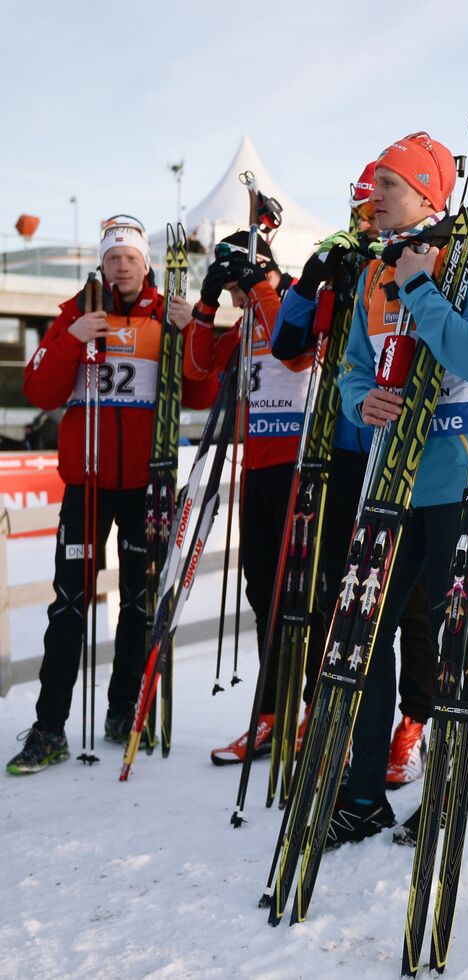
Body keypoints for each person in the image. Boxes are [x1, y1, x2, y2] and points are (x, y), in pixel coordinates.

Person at [327, 131, 468, 846]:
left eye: (391, 185)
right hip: (389, 475)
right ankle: (364, 793)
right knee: (360, 638)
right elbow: (350, 370)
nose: (377, 196)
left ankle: (448, 789)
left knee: (456, 645)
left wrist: (423, 288)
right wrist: (359, 402)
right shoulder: (374, 275)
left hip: (455, 475)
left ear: (428, 194)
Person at [8, 215, 217, 775]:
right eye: (112, 257)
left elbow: (202, 391)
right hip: (88, 484)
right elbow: (39, 389)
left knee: (138, 601)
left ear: (146, 264)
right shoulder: (77, 314)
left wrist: (191, 328)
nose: (121, 265)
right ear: (101, 264)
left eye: (130, 257)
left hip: (147, 482)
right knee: (69, 603)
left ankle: (123, 710)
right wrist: (70, 337)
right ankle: (50, 725)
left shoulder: (161, 317)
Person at [269, 163, 441, 787]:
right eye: (360, 200)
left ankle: (413, 720)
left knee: (413, 599)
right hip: (344, 448)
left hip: (405, 448)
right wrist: (311, 280)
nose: (368, 209)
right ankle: (333, 709)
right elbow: (290, 344)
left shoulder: (411, 255)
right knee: (343, 589)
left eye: (378, 196)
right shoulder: (345, 266)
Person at [180, 231, 316, 764]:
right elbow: (197, 367)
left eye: (238, 283)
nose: (239, 296)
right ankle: (270, 715)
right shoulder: (245, 320)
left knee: (305, 597)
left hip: (301, 470)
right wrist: (207, 303)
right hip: (257, 470)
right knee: (262, 595)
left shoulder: (296, 300)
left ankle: (315, 710)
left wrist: (256, 280)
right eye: (233, 288)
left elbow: (296, 349)